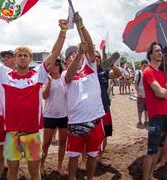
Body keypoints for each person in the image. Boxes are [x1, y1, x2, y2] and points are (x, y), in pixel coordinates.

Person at [0, 18, 68, 180]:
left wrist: (63, 31)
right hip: (12, 133)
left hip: (32, 133)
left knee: (34, 171)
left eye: (25, 55)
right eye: (19, 55)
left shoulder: (39, 74)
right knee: (12, 171)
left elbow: (54, 53)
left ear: (30, 59)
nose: (22, 57)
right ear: (15, 59)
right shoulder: (4, 74)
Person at [63, 14, 105, 180]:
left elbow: (89, 43)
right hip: (75, 122)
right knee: (73, 156)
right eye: (70, 56)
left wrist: (81, 25)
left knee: (93, 155)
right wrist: (79, 53)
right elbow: (70, 75)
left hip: (95, 120)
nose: (75, 56)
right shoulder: (67, 73)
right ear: (66, 62)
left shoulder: (91, 68)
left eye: (76, 54)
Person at [142, 42, 167, 180]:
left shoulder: (161, 73)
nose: (160, 53)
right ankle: (145, 177)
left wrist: (165, 92)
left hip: (164, 115)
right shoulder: (148, 71)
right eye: (157, 51)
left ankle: (150, 175)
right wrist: (165, 92)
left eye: (161, 51)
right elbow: (160, 93)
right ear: (151, 55)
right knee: (151, 151)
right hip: (155, 116)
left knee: (159, 148)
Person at [40, 59, 67, 175]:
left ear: (59, 66)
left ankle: (59, 166)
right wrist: (50, 82)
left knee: (62, 142)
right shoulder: (45, 79)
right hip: (49, 115)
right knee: (46, 143)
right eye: (53, 64)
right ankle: (41, 165)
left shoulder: (65, 78)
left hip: (64, 115)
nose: (55, 66)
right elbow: (45, 96)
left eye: (57, 64)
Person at [95, 50, 121, 166]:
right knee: (90, 136)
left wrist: (111, 63)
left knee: (104, 135)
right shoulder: (87, 71)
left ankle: (99, 158)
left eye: (98, 57)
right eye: (94, 56)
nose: (96, 58)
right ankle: (86, 160)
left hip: (105, 107)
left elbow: (118, 74)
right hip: (91, 110)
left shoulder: (104, 71)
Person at [0, 49, 15, 179]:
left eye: (8, 57)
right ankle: (1, 167)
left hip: (14, 115)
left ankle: (13, 169)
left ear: (14, 59)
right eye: (4, 57)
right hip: (1, 113)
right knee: (0, 143)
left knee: (14, 144)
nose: (5, 59)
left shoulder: (21, 73)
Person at [134, 60, 149, 128]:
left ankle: (146, 121)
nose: (145, 67)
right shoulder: (138, 73)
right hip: (140, 94)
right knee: (140, 109)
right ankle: (140, 121)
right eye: (144, 66)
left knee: (147, 109)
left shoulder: (148, 73)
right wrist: (138, 92)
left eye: (146, 66)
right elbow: (136, 83)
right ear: (141, 65)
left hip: (147, 95)